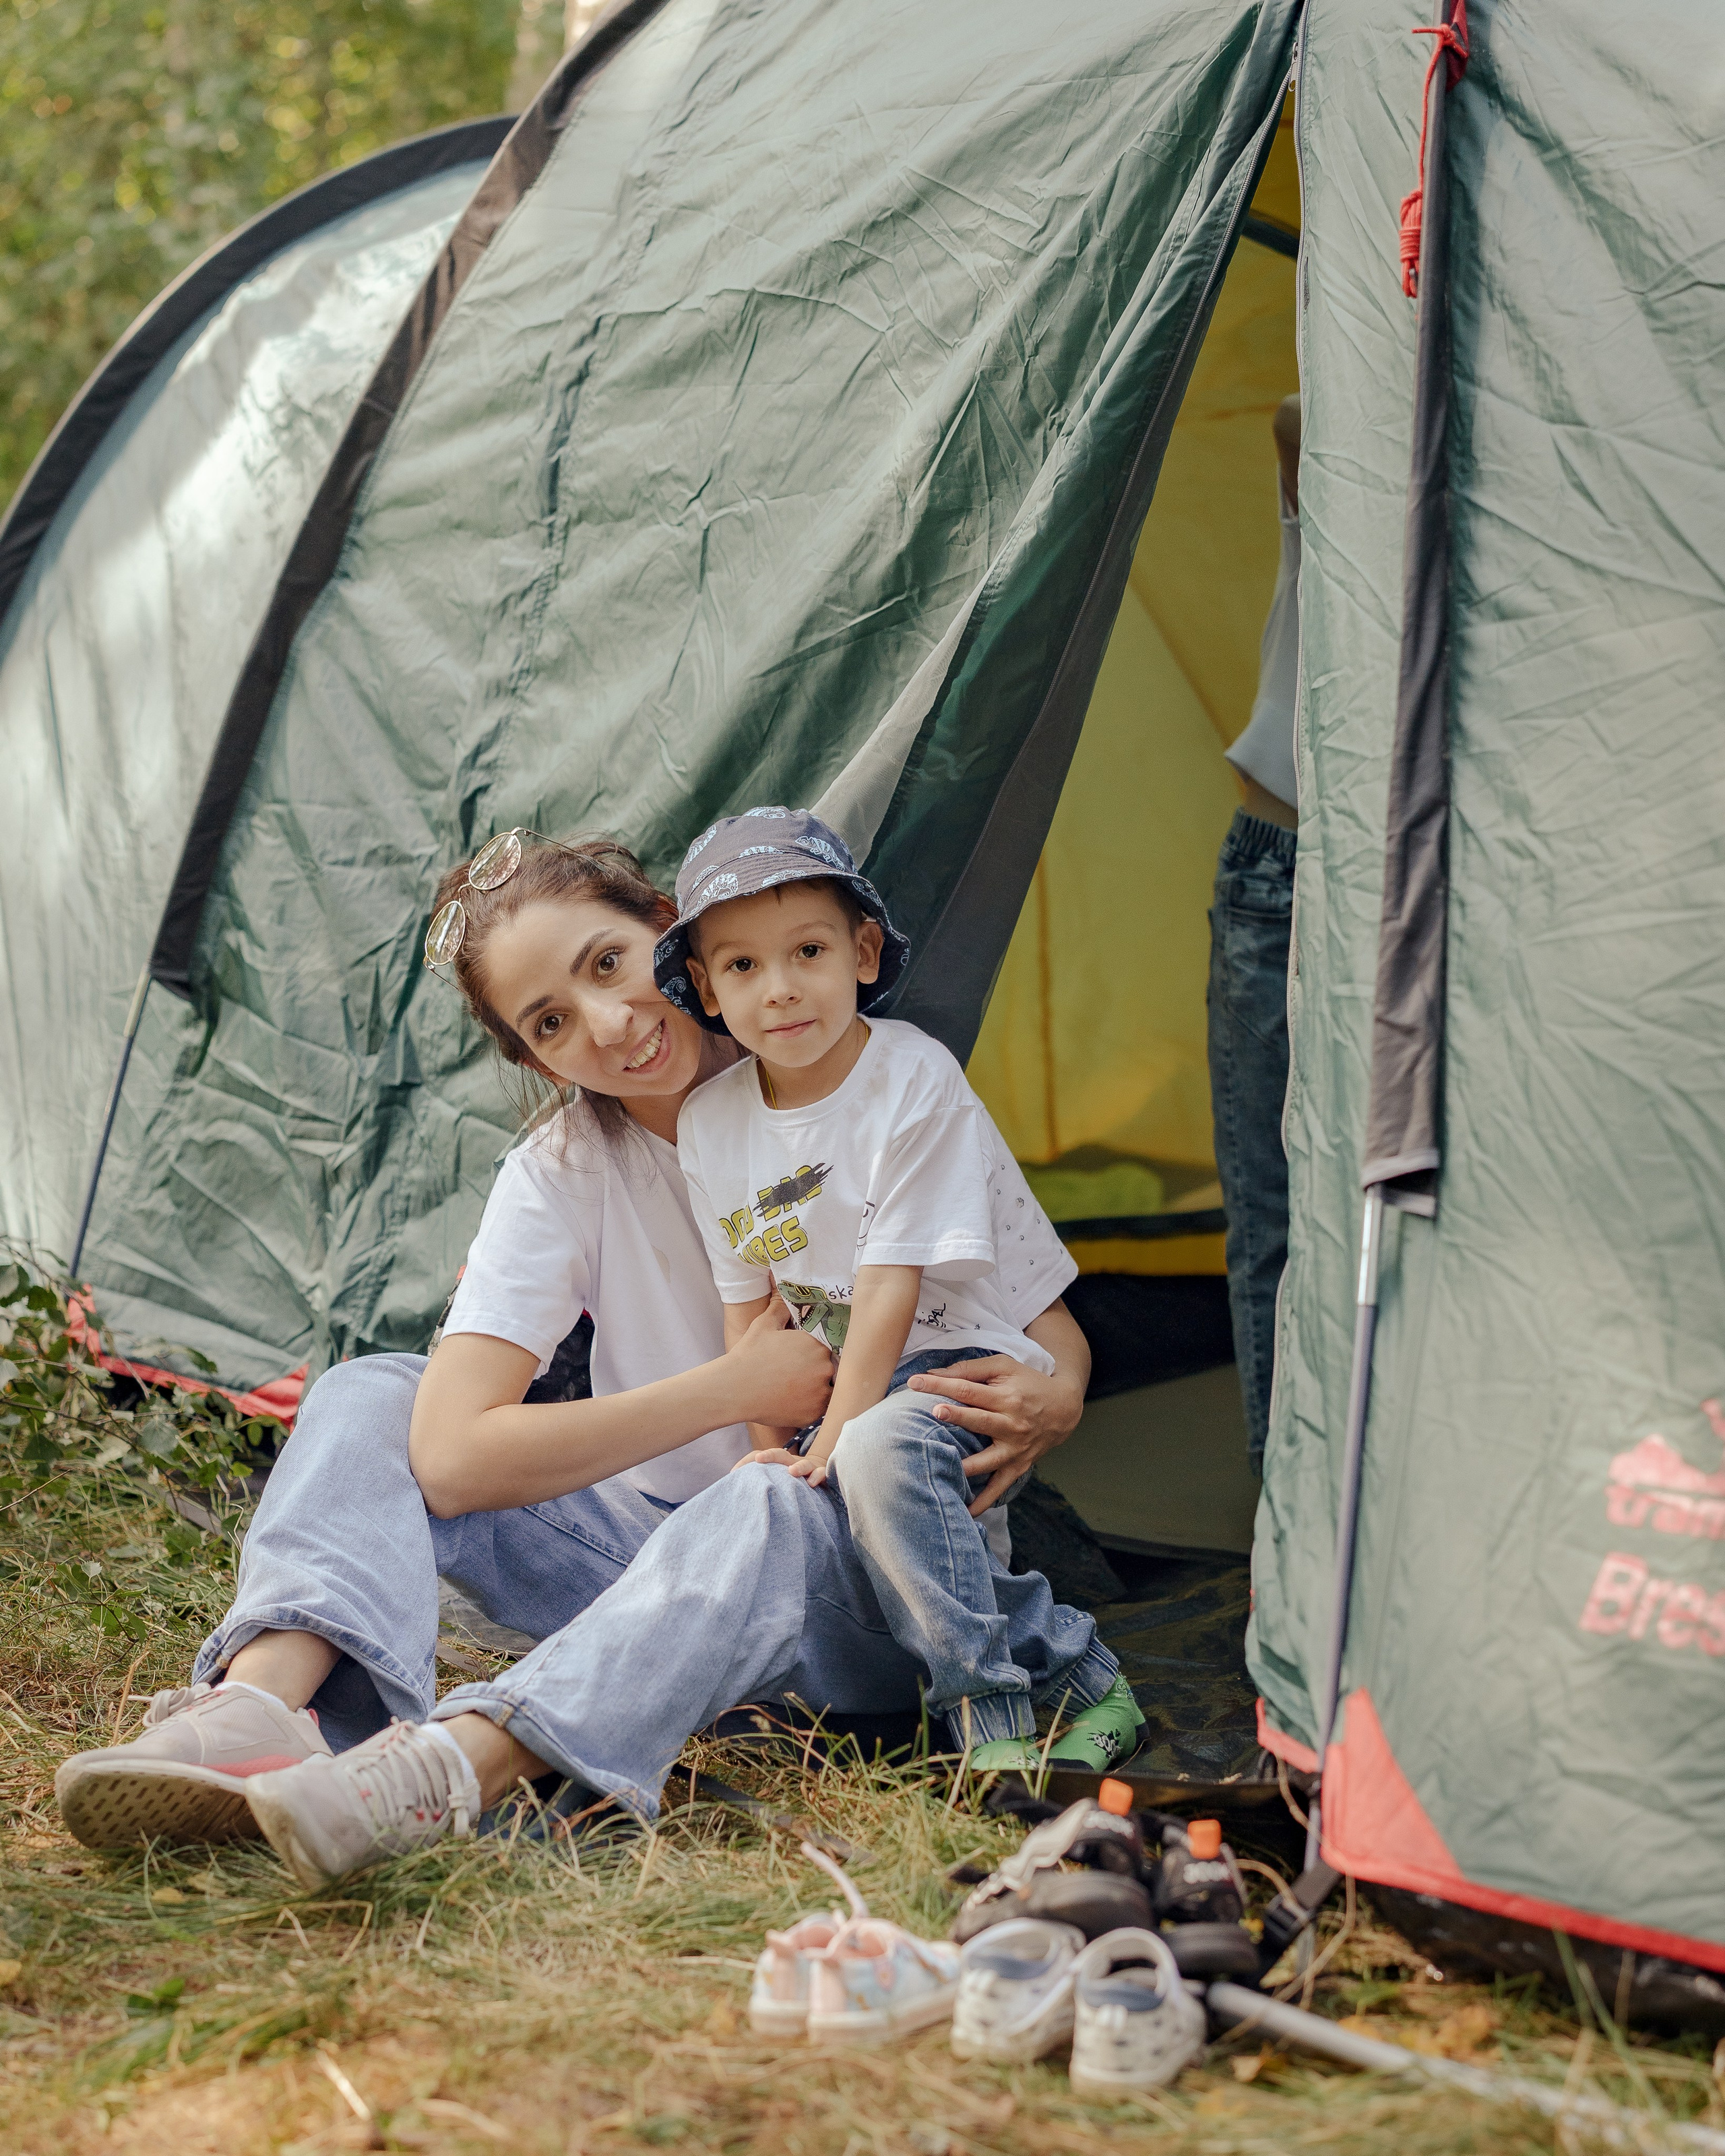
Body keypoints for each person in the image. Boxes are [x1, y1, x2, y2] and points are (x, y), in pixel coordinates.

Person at [53, 832, 1106, 1881]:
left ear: (670, 934)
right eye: (550, 1021)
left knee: (766, 1503)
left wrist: (1054, 1403)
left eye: (609, 963)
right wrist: (727, 1391)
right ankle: (255, 1709)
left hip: (865, 1594)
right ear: (534, 1059)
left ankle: (455, 1769)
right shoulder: (560, 1170)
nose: (609, 1025)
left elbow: (1043, 1329)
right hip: (646, 1555)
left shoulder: (860, 1081)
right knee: (370, 1395)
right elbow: (451, 1458)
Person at [661, 807, 1146, 1775]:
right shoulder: (709, 1123)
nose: (780, 987)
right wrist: (768, 1450)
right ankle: (1082, 1677)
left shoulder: (911, 1076)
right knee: (804, 1499)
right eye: (743, 966)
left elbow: (890, 1285)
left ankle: (988, 1720)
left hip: (951, 1361)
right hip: (840, 1385)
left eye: (808, 951)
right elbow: (750, 1308)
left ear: (864, 953)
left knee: (877, 1446)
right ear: (707, 989)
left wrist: (834, 1440)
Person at [1210, 391, 1301, 1476]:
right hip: (1284, 868)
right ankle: (1285, 1508)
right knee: (1272, 1206)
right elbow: (1295, 416)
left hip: (1436, 872)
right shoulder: (1346, 451)